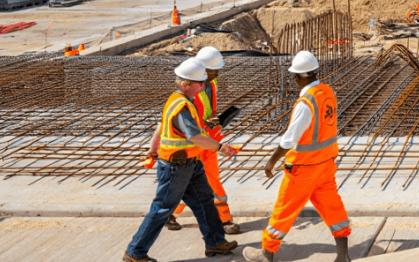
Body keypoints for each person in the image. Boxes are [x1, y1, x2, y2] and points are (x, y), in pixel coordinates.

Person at [124, 59, 238, 262]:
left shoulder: (182, 100)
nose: (203, 86)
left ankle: (215, 243)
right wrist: (220, 147)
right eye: (199, 83)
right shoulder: (182, 106)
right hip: (175, 167)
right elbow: (194, 137)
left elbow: (161, 127)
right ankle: (135, 252)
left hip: (190, 164)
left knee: (205, 202)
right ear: (186, 84)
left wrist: (152, 149)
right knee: (161, 210)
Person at [244, 51, 351, 262]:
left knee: (283, 211)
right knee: (333, 208)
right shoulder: (328, 92)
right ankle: (343, 255)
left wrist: (272, 160)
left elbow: (289, 139)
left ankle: (266, 255)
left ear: (298, 76)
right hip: (326, 165)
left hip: (303, 169)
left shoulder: (305, 103)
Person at [167, 47, 240, 235]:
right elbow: (189, 122)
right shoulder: (191, 91)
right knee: (204, 181)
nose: (218, 73)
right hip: (199, 143)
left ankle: (168, 213)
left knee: (199, 181)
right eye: (215, 70)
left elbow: (207, 112)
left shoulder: (211, 84)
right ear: (205, 70)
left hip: (210, 140)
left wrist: (214, 120)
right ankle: (224, 219)